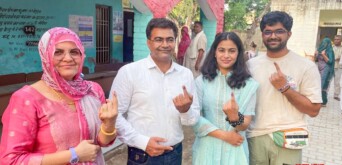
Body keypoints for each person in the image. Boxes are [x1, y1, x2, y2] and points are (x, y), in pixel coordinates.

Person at [0, 27, 118, 164]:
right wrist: (74, 155)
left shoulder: (92, 91)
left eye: (74, 52)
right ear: (46, 56)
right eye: (58, 52)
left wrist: (109, 124)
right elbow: (11, 160)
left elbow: (101, 142)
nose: (68, 58)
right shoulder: (27, 99)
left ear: (82, 56)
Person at [110, 18, 200, 165]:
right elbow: (114, 116)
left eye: (170, 39)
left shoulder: (185, 74)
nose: (165, 45)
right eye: (159, 39)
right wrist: (142, 142)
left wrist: (185, 110)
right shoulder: (129, 72)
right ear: (148, 42)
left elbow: (192, 119)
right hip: (141, 155)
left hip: (175, 153)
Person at [247, 11, 322, 165]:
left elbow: (314, 110)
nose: (273, 36)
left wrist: (285, 89)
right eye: (268, 32)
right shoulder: (250, 66)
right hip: (255, 136)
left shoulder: (306, 66)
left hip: (290, 135)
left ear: (289, 34)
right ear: (262, 35)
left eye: (279, 31)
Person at [192, 32, 258, 165]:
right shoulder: (202, 81)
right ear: (214, 53)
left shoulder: (248, 84)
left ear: (238, 54)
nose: (226, 55)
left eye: (232, 51)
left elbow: (245, 124)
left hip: (235, 149)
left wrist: (235, 117)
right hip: (207, 148)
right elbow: (194, 119)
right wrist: (224, 136)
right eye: (221, 50)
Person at [315, 37, 335, 107]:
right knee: (318, 84)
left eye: (326, 43)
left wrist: (323, 55)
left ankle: (320, 101)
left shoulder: (330, 51)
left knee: (322, 85)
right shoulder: (319, 49)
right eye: (323, 42)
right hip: (319, 68)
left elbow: (330, 61)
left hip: (326, 69)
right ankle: (322, 101)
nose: (324, 44)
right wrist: (316, 54)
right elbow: (316, 60)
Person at [332, 35, 342, 101]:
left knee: (337, 82)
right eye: (335, 39)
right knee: (327, 81)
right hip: (330, 67)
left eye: (338, 39)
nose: (336, 40)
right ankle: (323, 94)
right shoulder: (331, 47)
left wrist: (340, 58)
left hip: (339, 67)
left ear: (341, 40)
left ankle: (336, 95)